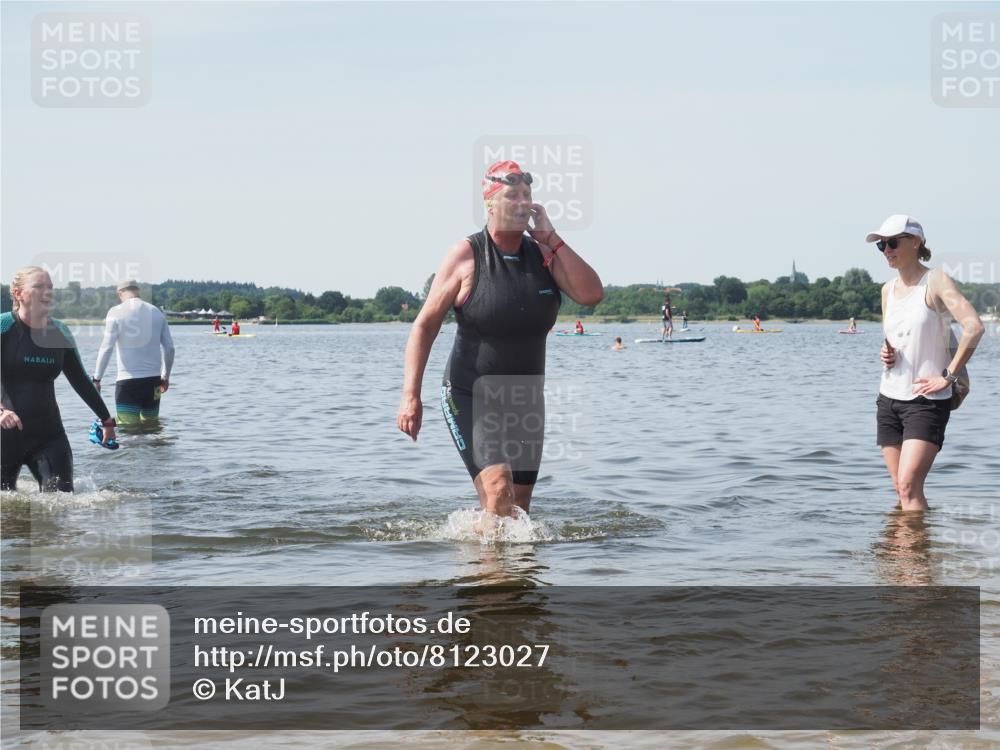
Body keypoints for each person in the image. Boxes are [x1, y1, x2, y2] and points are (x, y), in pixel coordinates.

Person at [396, 160, 603, 518]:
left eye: (528, 195)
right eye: (512, 195)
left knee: (518, 509)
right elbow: (424, 326)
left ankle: (496, 568)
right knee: (498, 490)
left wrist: (551, 239)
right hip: (469, 393)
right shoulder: (466, 254)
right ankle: (491, 570)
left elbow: (591, 294)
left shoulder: (543, 255)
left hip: (525, 400)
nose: (523, 203)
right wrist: (410, 396)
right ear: (490, 203)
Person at [870, 215, 984, 512]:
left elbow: (974, 327)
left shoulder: (935, 281)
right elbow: (896, 337)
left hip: (927, 400)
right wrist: (887, 353)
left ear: (915, 242)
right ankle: (905, 554)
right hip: (889, 398)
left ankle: (916, 559)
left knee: (908, 486)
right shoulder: (887, 291)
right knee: (902, 488)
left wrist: (948, 376)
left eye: (893, 242)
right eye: (881, 245)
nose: (887, 250)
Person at [1, 266, 116, 492]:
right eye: (39, 286)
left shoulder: (59, 332)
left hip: (49, 435)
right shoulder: (4, 327)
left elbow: (80, 380)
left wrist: (107, 420)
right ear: (18, 294)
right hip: (4, 435)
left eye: (51, 287)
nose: (47, 292)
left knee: (62, 502)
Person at [93, 279, 175, 426]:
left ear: (120, 293)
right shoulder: (156, 312)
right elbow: (169, 348)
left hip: (127, 384)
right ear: (138, 291)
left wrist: (97, 379)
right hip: (154, 382)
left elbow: (106, 347)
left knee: (128, 432)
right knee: (152, 427)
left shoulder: (115, 312)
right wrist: (165, 377)